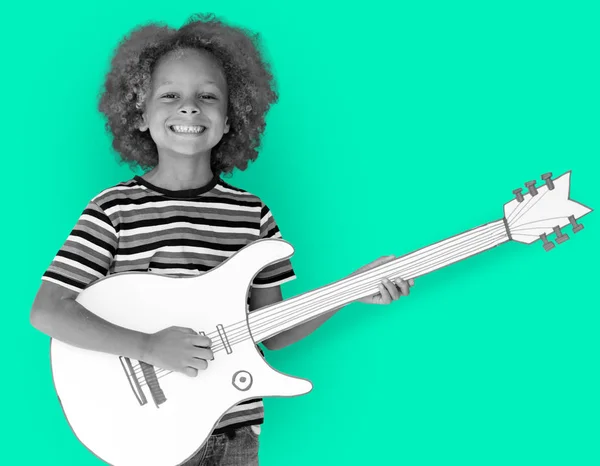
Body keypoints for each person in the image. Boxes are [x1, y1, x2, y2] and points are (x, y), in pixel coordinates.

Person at [29, 13, 413, 466]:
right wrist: (148, 347)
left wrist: (353, 289)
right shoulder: (113, 210)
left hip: (234, 434)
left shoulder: (253, 216)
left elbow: (277, 330)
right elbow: (48, 310)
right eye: (170, 95)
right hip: (150, 436)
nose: (189, 108)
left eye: (208, 96)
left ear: (232, 118)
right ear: (141, 112)